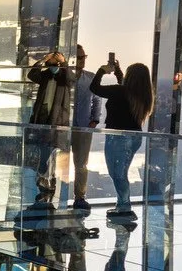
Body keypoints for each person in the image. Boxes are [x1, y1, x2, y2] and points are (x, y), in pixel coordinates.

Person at [90, 56, 154, 224]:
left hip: (118, 137)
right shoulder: (143, 95)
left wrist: (102, 70)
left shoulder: (120, 92)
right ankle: (122, 205)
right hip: (134, 138)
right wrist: (118, 72)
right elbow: (123, 87)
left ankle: (125, 206)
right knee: (121, 173)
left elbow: (94, 87)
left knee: (117, 174)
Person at [27, 51, 75, 208]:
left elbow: (71, 79)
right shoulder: (46, 75)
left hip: (57, 120)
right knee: (43, 152)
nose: (53, 64)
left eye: (56, 61)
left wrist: (64, 62)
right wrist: (42, 60)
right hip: (42, 117)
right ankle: (44, 184)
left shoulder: (64, 76)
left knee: (52, 152)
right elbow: (32, 75)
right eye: (52, 61)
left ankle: (48, 184)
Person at [71, 45, 102, 213]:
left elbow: (98, 99)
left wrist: (94, 120)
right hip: (62, 125)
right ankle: (47, 191)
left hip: (83, 127)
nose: (82, 61)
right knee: (52, 159)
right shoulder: (64, 77)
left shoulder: (90, 78)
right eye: (79, 57)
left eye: (84, 57)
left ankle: (80, 197)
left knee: (81, 163)